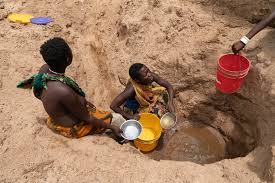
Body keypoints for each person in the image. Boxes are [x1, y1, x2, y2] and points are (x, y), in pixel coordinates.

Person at [17, 37, 123, 139]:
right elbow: (87, 118)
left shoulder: (44, 70)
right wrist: (111, 127)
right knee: (118, 119)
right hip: (73, 127)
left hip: (57, 118)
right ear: (68, 58)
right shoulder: (63, 92)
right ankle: (119, 137)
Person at [110, 63, 175, 120]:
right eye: (145, 74)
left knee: (165, 94)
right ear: (137, 80)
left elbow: (168, 86)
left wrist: (170, 103)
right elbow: (113, 105)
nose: (149, 74)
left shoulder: (151, 76)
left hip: (147, 97)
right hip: (136, 106)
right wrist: (130, 117)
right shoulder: (131, 89)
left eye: (148, 70)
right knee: (157, 112)